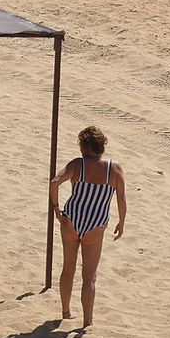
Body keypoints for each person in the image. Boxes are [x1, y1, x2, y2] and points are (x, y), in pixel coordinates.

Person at [49, 126, 125, 327]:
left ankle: (66, 313)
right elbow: (121, 199)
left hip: (72, 220)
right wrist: (121, 222)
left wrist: (56, 208)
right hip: (96, 224)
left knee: (68, 269)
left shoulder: (77, 164)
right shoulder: (114, 169)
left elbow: (55, 182)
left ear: (84, 146)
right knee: (89, 275)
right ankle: (87, 322)